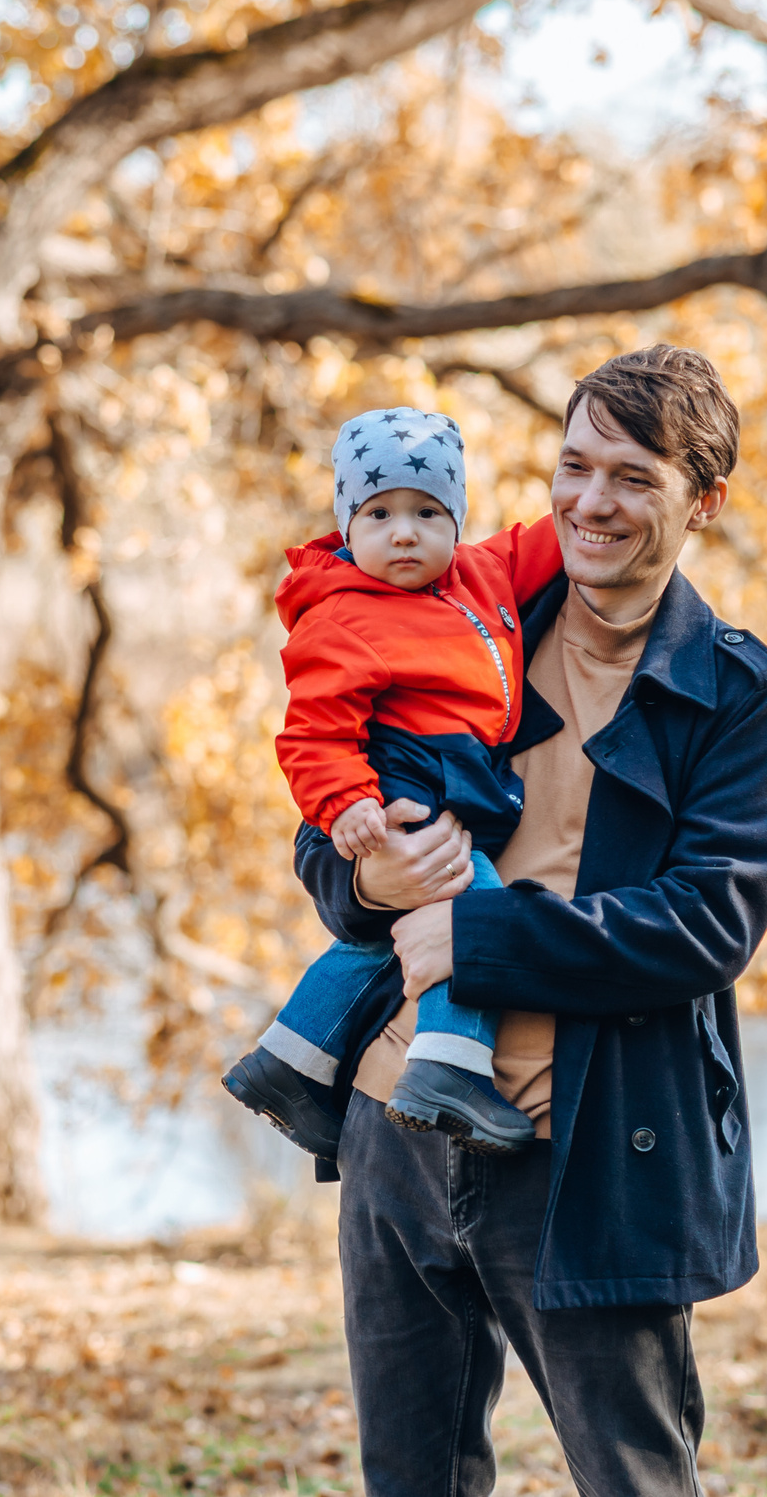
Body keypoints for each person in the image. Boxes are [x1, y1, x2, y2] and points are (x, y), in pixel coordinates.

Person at [294, 346, 767, 1497]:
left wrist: (474, 939)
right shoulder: (464, 611)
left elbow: (704, 924)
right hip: (397, 1131)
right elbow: (322, 834)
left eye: (632, 477)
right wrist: (374, 883)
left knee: (634, 1480)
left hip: (587, 1154)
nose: (589, 501)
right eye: (573, 466)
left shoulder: (737, 692)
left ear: (703, 500)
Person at [223, 407, 563, 1157]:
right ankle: (450, 1066)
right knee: (472, 908)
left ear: (457, 518)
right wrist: (346, 803)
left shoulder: (485, 572)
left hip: (455, 773)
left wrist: (600, 503)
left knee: (382, 939)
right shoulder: (343, 614)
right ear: (347, 522)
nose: (403, 532)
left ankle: (293, 1061)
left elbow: (557, 535)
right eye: (378, 513)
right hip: (402, 784)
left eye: (427, 511)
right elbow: (312, 730)